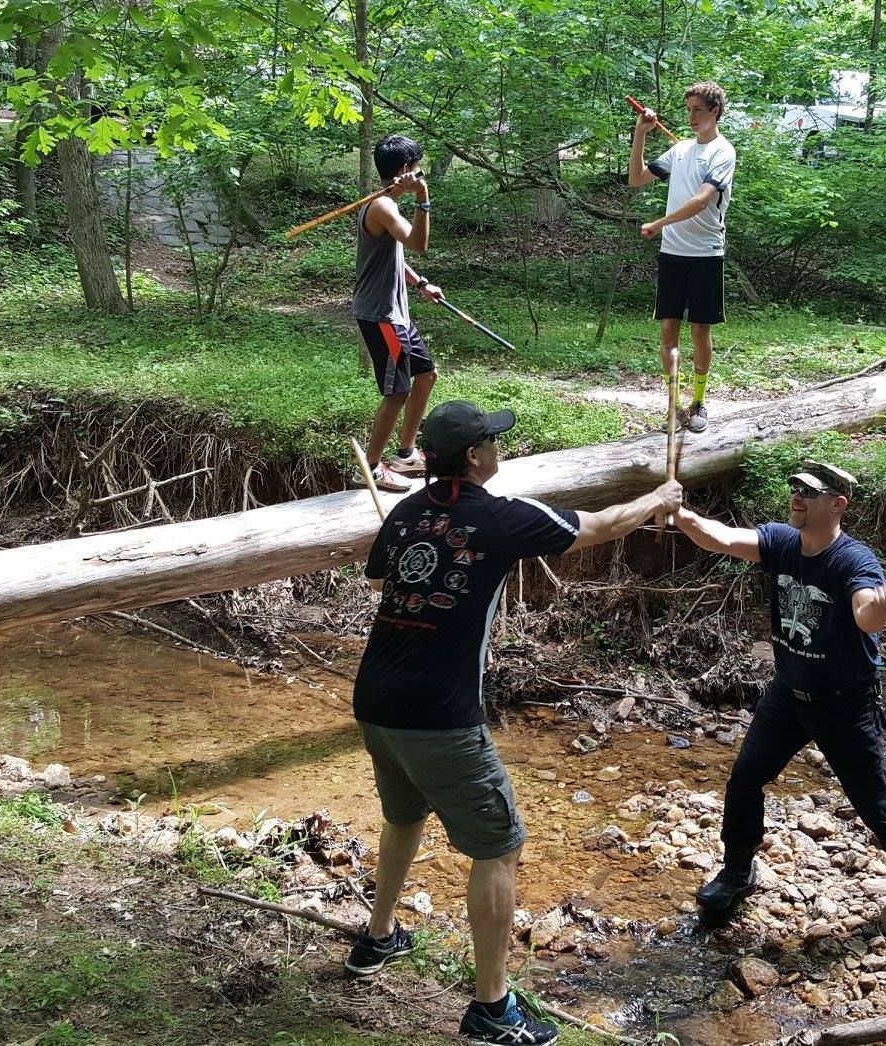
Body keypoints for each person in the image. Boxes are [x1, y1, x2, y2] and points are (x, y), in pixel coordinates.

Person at [347, 399, 683, 1045]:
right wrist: (658, 497)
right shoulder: (502, 517)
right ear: (475, 456)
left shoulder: (407, 512)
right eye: (493, 442)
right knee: (499, 847)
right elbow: (601, 525)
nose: (500, 449)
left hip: (375, 702)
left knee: (404, 815)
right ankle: (491, 1009)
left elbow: (379, 580)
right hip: (440, 714)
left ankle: (378, 936)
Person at [672, 460, 886, 927]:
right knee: (745, 780)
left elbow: (865, 616)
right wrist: (680, 515)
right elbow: (721, 537)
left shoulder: (854, 561)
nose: (796, 497)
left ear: (838, 504)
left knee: (873, 803)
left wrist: (882, 607)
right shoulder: (783, 541)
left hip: (843, 704)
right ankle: (738, 870)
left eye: (809, 492)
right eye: (795, 488)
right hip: (787, 695)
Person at [628, 81, 736, 436]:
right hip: (672, 254)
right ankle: (673, 405)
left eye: (698, 110)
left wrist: (659, 223)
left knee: (700, 330)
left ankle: (699, 402)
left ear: (714, 112)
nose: (691, 116)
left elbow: (702, 200)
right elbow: (636, 179)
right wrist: (640, 134)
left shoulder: (723, 152)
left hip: (705, 253)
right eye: (688, 110)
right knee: (668, 328)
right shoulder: (680, 150)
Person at [354, 134, 444, 493]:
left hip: (397, 314)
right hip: (381, 316)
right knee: (397, 392)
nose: (421, 174)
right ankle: (371, 469)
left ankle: (405, 454)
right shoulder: (381, 207)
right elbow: (419, 244)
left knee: (427, 375)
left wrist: (420, 283)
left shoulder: (386, 205)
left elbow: (394, 256)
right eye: (418, 168)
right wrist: (423, 198)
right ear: (406, 170)